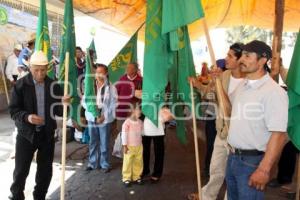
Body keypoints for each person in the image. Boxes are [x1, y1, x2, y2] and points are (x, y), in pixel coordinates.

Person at [225, 40, 288, 199]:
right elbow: (229, 109)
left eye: (247, 56)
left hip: (252, 163)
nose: (241, 60)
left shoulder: (274, 92)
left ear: (262, 60)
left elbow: (279, 134)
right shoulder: (243, 85)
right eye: (242, 55)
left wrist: (264, 169)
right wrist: (217, 84)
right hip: (233, 158)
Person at [8, 51, 70, 200]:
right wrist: (27, 117)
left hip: (46, 134)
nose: (40, 73)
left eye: (43, 69)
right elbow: (13, 111)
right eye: (36, 70)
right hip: (26, 134)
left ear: (47, 68)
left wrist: (64, 104)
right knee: (21, 170)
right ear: (30, 67)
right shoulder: (21, 85)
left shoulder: (53, 85)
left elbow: (59, 110)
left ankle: (40, 196)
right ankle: (16, 195)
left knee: (45, 171)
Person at [189, 42, 245, 200]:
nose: (226, 58)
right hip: (222, 133)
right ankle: (207, 196)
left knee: (233, 174)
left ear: (240, 59)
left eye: (230, 56)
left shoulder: (249, 81)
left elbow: (232, 108)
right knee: (216, 169)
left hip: (239, 137)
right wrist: (198, 84)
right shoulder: (224, 75)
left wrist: (218, 84)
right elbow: (209, 95)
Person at [82, 63, 117, 172]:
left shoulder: (111, 87)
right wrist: (93, 111)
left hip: (104, 118)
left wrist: (103, 116)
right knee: (93, 141)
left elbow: (113, 103)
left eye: (101, 72)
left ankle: (105, 164)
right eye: (97, 72)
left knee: (104, 142)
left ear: (106, 74)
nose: (98, 75)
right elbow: (84, 101)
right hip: (92, 117)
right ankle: (92, 163)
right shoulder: (90, 86)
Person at [142, 107, 173, 183]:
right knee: (144, 149)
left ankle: (157, 173)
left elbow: (169, 115)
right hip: (145, 123)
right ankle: (144, 169)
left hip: (158, 124)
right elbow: (137, 95)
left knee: (158, 150)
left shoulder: (161, 97)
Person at [115, 62, 143, 134]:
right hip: (121, 111)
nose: (127, 69)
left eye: (130, 68)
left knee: (133, 132)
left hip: (134, 112)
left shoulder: (141, 80)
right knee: (122, 132)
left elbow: (144, 96)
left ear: (135, 70)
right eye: (127, 67)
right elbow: (115, 93)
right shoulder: (122, 79)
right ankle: (123, 145)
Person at [121, 104, 143, 187]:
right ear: (132, 111)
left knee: (138, 161)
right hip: (129, 146)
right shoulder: (127, 123)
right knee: (127, 162)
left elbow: (142, 132)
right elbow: (124, 135)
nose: (140, 111)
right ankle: (126, 178)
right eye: (138, 109)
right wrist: (124, 145)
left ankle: (137, 176)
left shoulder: (140, 122)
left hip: (139, 146)